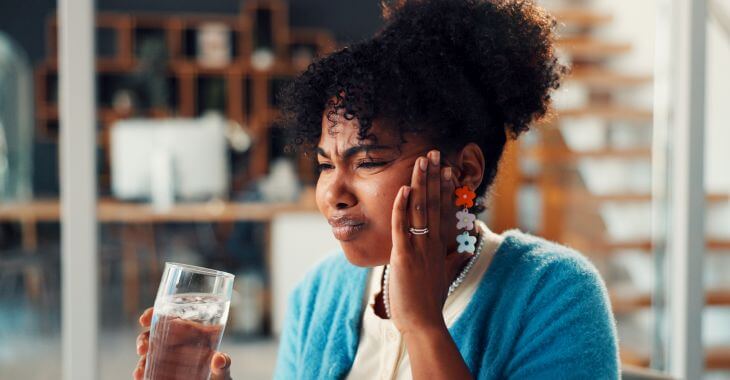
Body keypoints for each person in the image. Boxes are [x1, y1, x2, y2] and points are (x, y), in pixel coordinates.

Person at [134, 0, 619, 378]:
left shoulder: (555, 294)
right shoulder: (320, 294)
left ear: (465, 173)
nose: (333, 194)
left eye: (367, 161)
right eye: (325, 164)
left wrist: (423, 324)